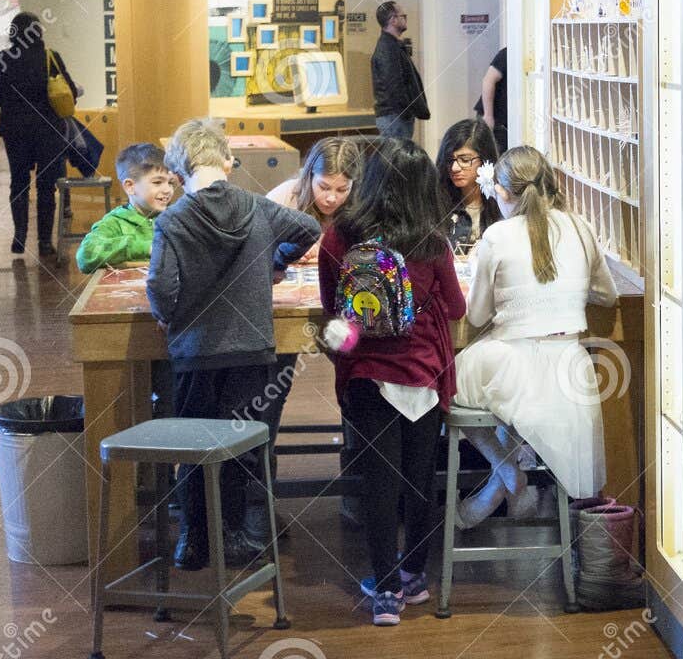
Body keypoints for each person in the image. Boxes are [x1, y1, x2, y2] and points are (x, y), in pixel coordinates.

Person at [148, 119, 321, 570]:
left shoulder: (172, 219)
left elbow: (161, 287)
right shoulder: (257, 207)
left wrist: (169, 316)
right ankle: (240, 537)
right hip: (251, 350)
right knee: (243, 446)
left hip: (196, 353)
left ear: (180, 172)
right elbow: (307, 228)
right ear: (227, 160)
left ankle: (193, 539)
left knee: (194, 448)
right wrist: (272, 263)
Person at [319, 138, 465, 626]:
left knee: (377, 480)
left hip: (366, 372)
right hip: (421, 372)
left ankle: (384, 592)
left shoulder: (341, 236)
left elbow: (332, 308)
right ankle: (415, 577)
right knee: (418, 478)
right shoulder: (431, 239)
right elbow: (459, 308)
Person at [453, 145, 618, 527]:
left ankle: (506, 468)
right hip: (568, 367)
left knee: (448, 385)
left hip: (510, 360)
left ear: (504, 193)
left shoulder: (497, 236)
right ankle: (510, 471)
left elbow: (476, 315)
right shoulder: (581, 227)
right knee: (509, 400)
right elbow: (607, 296)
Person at [246, 136, 365, 541]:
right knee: (268, 390)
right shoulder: (284, 198)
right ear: (308, 177)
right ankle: (257, 506)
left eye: (341, 189)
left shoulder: (362, 209)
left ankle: (359, 491)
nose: (331, 198)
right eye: (324, 187)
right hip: (284, 313)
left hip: (341, 314)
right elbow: (255, 257)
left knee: (360, 381)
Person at [0, 12, 79, 257]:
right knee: (46, 186)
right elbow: (69, 91)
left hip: (15, 130)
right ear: (38, 31)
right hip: (48, 131)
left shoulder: (2, 59)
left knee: (18, 183)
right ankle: (43, 242)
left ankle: (19, 237)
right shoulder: (51, 57)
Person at [75, 142, 173, 273]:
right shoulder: (114, 223)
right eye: (157, 182)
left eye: (170, 182)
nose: (167, 189)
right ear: (130, 186)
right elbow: (85, 256)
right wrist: (146, 248)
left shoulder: (176, 218)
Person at [434, 118, 501, 251]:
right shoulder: (437, 204)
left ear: (484, 159)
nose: (454, 168)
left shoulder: (501, 203)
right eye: (449, 160)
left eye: (464, 160)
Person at [370, 1, 428, 141]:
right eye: (403, 16)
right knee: (396, 161)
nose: (405, 19)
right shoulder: (388, 49)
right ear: (393, 20)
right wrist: (407, 112)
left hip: (396, 117)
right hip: (395, 118)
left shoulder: (393, 46)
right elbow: (394, 86)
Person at [479, 46, 508, 150]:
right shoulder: (507, 53)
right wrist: (488, 116)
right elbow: (488, 80)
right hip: (494, 117)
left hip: (505, 121)